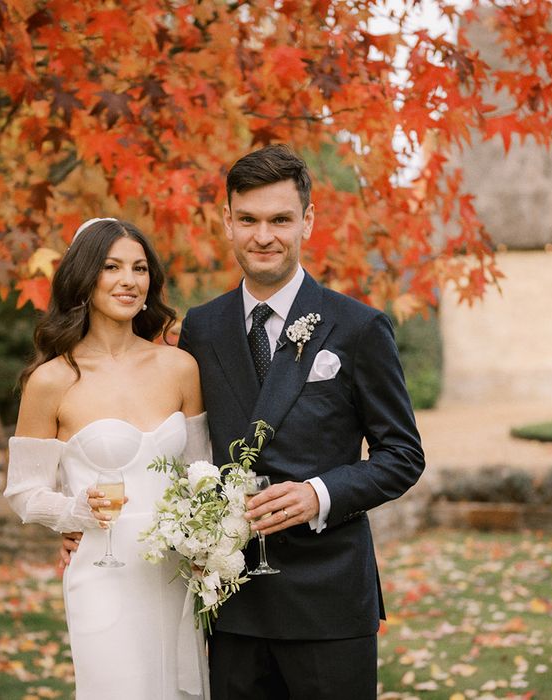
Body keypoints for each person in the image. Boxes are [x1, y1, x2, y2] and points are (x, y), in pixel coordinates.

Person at [176, 144, 425, 699]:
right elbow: (181, 446)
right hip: (233, 598)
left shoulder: (359, 328)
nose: (263, 236)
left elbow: (403, 455)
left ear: (307, 221)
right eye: (249, 220)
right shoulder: (201, 328)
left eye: (280, 220)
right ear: (228, 221)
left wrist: (319, 494)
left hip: (328, 601)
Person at [4, 218, 211, 699]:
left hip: (175, 571)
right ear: (85, 277)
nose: (129, 280)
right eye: (112, 266)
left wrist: (209, 542)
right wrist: (72, 514)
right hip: (103, 570)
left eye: (139, 268)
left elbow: (203, 474)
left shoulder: (181, 367)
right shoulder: (52, 380)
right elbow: (23, 491)